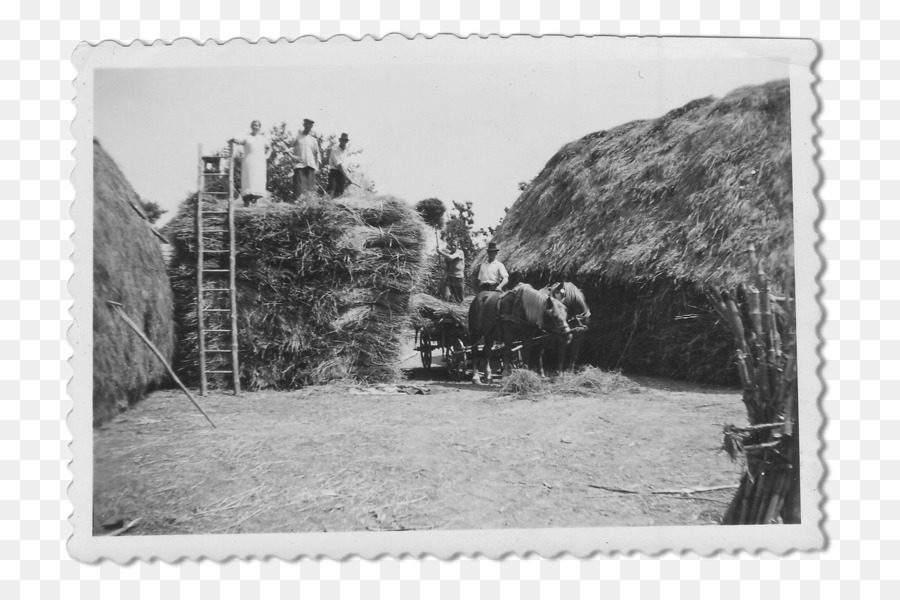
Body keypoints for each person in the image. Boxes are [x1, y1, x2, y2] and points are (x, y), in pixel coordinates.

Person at [230, 120, 271, 207]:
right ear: (251, 126)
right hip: (249, 161)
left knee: (257, 181)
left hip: (259, 162)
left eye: (256, 125)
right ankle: (246, 204)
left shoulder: (263, 139)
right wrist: (234, 140)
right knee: (249, 181)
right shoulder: (247, 137)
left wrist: (266, 156)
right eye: (253, 125)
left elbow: (270, 148)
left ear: (259, 127)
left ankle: (255, 202)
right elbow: (239, 141)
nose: (255, 127)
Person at [290, 118, 320, 201]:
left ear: (311, 126)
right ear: (303, 125)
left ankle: (309, 207)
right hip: (299, 166)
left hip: (310, 166)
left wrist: (317, 167)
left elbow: (318, 155)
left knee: (310, 191)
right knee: (299, 190)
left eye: (309, 124)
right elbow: (285, 144)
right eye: (306, 124)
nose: (307, 126)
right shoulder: (297, 137)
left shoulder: (313, 140)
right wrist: (291, 155)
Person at [326, 133, 352, 198]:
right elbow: (339, 165)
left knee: (340, 194)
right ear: (340, 140)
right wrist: (346, 176)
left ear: (347, 142)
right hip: (334, 173)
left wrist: (347, 175)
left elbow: (345, 165)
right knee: (331, 190)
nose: (344, 142)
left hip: (342, 174)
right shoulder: (335, 149)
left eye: (345, 141)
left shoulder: (346, 151)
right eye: (342, 140)